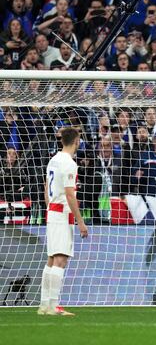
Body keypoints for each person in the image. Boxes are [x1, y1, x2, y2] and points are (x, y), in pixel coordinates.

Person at [38, 127, 88, 316]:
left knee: (51, 259)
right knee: (60, 259)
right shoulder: (69, 163)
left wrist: (49, 207)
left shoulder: (54, 159)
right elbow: (69, 195)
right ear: (76, 141)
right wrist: (81, 222)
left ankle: (44, 305)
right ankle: (53, 306)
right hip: (61, 214)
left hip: (52, 212)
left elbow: (45, 186)